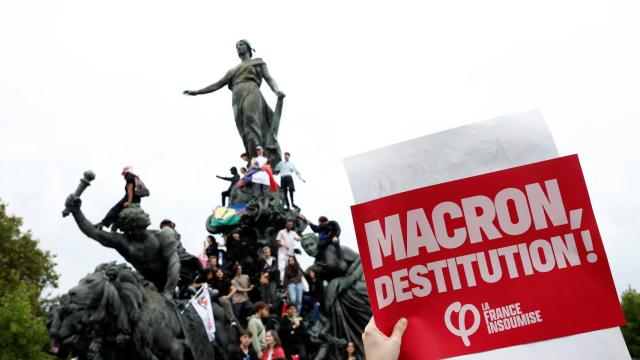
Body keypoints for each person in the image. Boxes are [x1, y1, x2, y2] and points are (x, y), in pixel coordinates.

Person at [184, 39, 286, 166]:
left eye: (241, 45)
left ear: (249, 48)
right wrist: (197, 92)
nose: (238, 48)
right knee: (243, 129)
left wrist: (277, 90)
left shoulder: (257, 62)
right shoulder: (232, 70)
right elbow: (217, 85)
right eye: (236, 46)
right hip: (236, 98)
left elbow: (269, 78)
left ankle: (259, 159)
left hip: (251, 91)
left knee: (251, 123)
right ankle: (253, 158)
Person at [95, 166, 142, 231]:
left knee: (114, 209)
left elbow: (130, 191)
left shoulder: (129, 177)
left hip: (129, 199)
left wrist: (129, 202)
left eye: (124, 173)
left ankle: (103, 223)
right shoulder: (135, 177)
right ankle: (114, 226)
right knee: (119, 212)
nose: (123, 175)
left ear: (126, 172)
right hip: (137, 200)